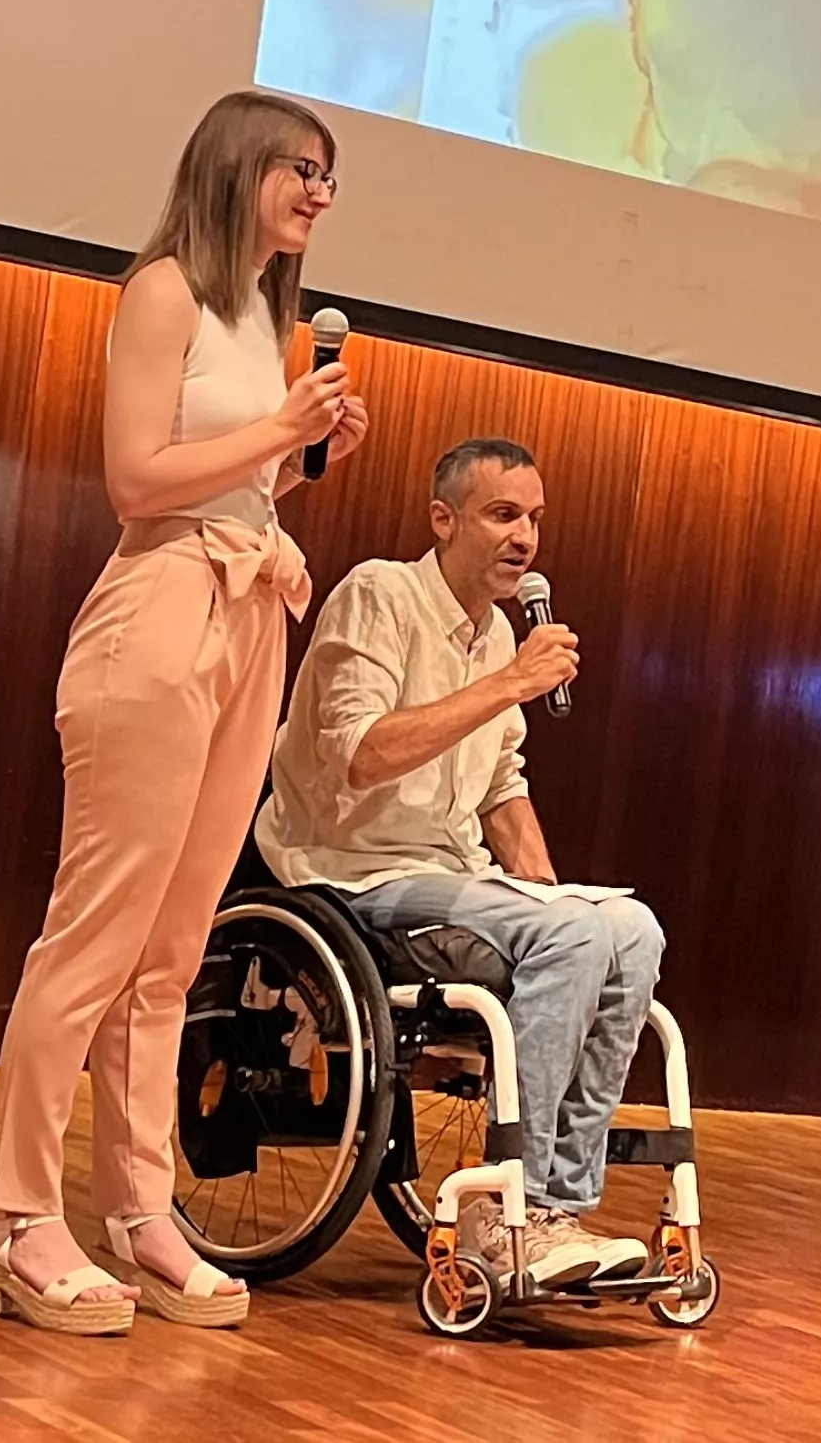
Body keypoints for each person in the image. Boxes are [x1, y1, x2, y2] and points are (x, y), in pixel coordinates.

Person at [0, 91, 369, 1336]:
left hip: (249, 606)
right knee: (97, 929)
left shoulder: (263, 313)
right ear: (236, 167)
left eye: (328, 176)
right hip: (162, 606)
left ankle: (142, 1213)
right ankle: (19, 1217)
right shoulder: (165, 291)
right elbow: (134, 478)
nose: (317, 192)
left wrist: (303, 457)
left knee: (175, 945)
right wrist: (275, 427)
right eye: (300, 168)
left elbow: (238, 475)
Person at [254, 439, 664, 1288]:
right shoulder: (379, 594)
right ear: (444, 519)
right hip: (355, 875)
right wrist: (509, 682)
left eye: (535, 519)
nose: (525, 538)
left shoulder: (502, 635)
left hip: (459, 879)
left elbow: (502, 791)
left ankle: (557, 1207)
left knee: (630, 927)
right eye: (503, 514)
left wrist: (553, 897)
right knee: (575, 936)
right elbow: (361, 754)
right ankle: (513, 1209)